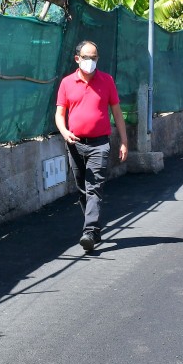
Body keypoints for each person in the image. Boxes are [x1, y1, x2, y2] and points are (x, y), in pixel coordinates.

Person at [55, 40, 129, 252]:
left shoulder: (107, 80)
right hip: (75, 144)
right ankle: (95, 229)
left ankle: (88, 232)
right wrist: (65, 132)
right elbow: (59, 114)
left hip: (100, 144)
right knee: (82, 189)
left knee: (94, 187)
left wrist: (124, 141)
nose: (90, 61)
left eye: (94, 57)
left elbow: (117, 113)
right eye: (86, 57)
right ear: (77, 59)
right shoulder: (67, 83)